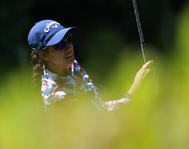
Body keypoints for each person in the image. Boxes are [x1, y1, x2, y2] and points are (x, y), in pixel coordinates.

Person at [28, 19, 158, 114]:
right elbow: (102, 121)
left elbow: (99, 107)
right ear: (44, 55)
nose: (68, 47)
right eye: (59, 44)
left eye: (68, 38)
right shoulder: (58, 97)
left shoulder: (72, 66)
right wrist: (135, 90)